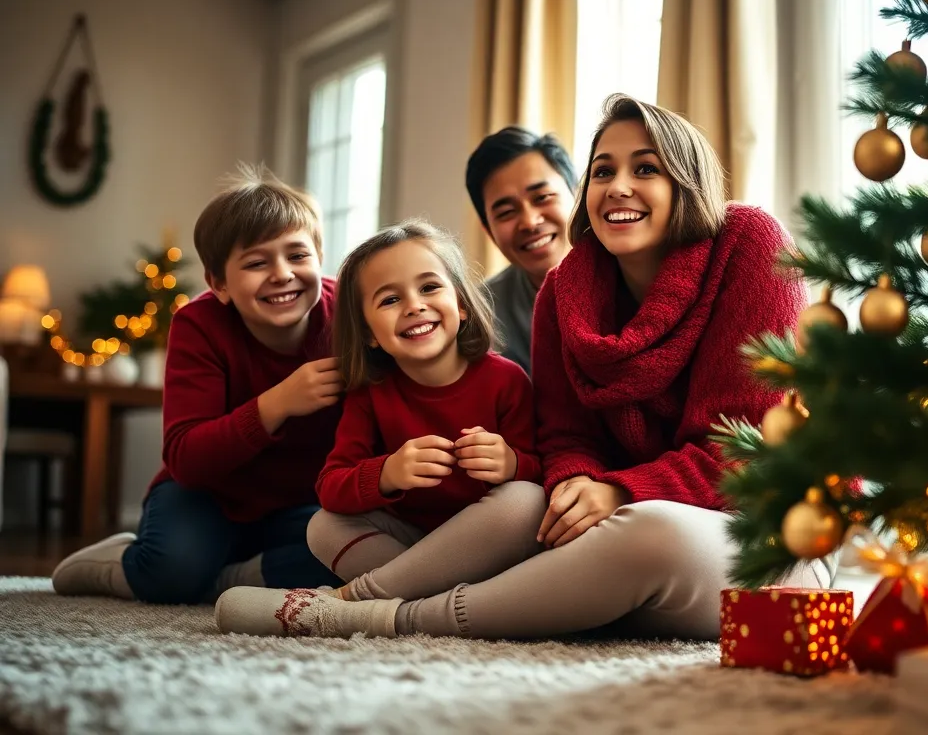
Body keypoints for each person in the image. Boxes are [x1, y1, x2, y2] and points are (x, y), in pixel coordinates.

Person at [214, 95, 828, 641]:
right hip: (605, 534)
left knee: (647, 533)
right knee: (526, 508)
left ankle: (371, 612)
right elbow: (565, 439)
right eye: (604, 170)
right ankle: (531, 598)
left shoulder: (749, 242)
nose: (618, 186)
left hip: (761, 534)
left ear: (687, 182)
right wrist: (578, 484)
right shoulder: (565, 291)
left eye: (646, 168)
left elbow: (750, 450)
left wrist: (618, 488)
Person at [214, 220, 546, 638]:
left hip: (490, 549)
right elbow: (331, 485)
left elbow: (542, 474)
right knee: (323, 526)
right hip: (407, 545)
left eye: (429, 288)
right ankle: (444, 605)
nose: (413, 305)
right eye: (390, 299)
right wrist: (387, 473)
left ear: (461, 304)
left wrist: (512, 463)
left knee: (524, 500)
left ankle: (350, 601)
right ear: (370, 333)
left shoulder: (507, 380)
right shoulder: (371, 394)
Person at [52, 165, 343, 603]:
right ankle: (122, 563)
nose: (282, 273)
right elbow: (186, 458)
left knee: (362, 554)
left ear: (319, 258)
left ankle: (229, 579)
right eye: (257, 262)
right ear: (219, 283)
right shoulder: (199, 324)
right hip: (208, 495)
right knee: (172, 570)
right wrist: (276, 403)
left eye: (298, 255)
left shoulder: (348, 317)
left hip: (303, 504)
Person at [464, 126, 577, 373]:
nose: (529, 222)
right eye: (506, 213)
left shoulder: (636, 279)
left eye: (542, 197)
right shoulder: (481, 316)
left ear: (577, 195)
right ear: (488, 231)